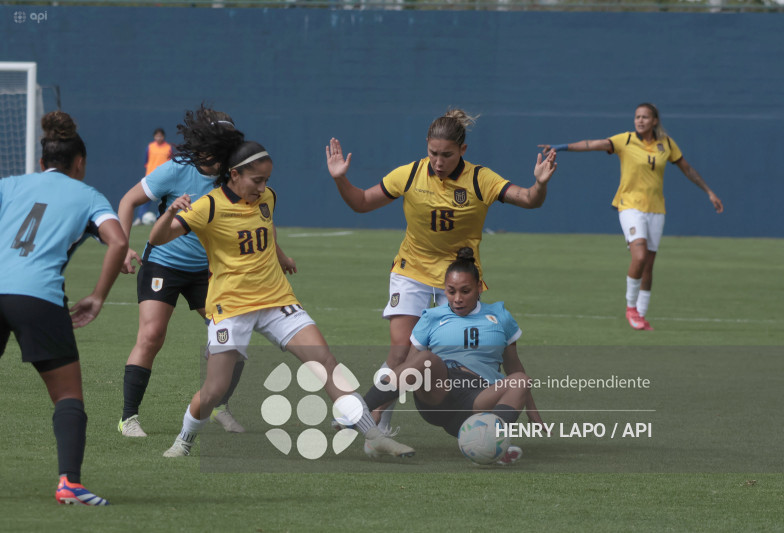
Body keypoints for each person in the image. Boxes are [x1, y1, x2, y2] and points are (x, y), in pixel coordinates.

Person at [149, 113, 415, 459]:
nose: (262, 188)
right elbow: (157, 239)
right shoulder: (207, 207)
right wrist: (170, 213)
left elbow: (265, 229)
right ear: (234, 175)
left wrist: (281, 255)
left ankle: (372, 435)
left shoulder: (266, 198)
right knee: (214, 390)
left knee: (326, 363)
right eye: (256, 180)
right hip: (231, 306)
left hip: (277, 300)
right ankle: (183, 441)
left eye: (266, 180)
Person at [326, 108, 557, 435]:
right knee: (401, 350)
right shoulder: (409, 174)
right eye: (433, 153)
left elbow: (529, 199)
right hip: (412, 270)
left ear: (463, 150)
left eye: (447, 155)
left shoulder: (480, 179)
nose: (438, 161)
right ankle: (373, 420)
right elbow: (362, 202)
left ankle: (479, 421)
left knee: (459, 357)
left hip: (458, 279)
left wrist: (539, 183)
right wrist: (341, 178)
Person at [0, 111, 127, 505]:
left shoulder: (9, 184)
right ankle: (69, 483)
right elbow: (118, 242)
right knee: (68, 395)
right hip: (38, 296)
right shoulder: (89, 195)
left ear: (41, 163)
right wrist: (98, 296)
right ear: (80, 163)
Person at [116, 106, 246, 438]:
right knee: (151, 336)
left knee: (232, 342)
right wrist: (121, 247)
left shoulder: (233, 174)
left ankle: (219, 407)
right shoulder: (175, 170)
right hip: (163, 263)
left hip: (208, 271)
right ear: (205, 145)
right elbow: (129, 200)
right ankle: (128, 418)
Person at [539, 102, 723, 331]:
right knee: (639, 254)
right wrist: (561, 147)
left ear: (655, 120)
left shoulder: (666, 144)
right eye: (637, 116)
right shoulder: (625, 140)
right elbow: (592, 144)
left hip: (656, 209)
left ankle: (642, 316)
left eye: (645, 117)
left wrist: (709, 191)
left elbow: (687, 168)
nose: (640, 120)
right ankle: (630, 308)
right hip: (629, 206)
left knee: (648, 265)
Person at [360, 248, 544, 465]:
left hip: (479, 400)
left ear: (479, 287)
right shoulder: (432, 316)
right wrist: (379, 408)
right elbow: (410, 369)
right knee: (426, 359)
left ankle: (492, 446)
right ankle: (358, 410)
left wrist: (532, 410)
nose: (457, 299)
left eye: (465, 291)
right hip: (440, 392)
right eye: (451, 291)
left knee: (521, 379)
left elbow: (514, 368)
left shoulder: (500, 316)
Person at [133, 128, 173, 226]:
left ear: (163, 137)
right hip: (151, 177)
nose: (159, 138)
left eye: (161, 136)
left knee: (166, 199)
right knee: (146, 198)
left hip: (165, 177)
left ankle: (165, 220)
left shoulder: (168, 148)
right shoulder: (150, 147)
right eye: (157, 136)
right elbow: (146, 161)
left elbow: (171, 162)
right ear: (154, 137)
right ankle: (140, 218)